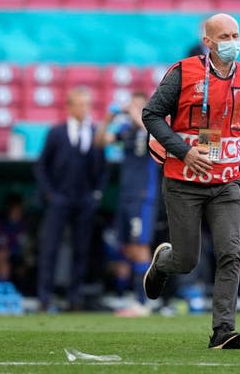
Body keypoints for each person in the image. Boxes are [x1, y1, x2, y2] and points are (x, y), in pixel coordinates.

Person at [142, 13, 240, 349]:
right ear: (207, 42)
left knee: (230, 253)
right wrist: (183, 152)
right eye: (224, 36)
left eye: (235, 34)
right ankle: (162, 265)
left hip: (226, 181)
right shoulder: (183, 72)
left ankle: (222, 331)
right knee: (187, 260)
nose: (232, 42)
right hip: (184, 178)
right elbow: (150, 114)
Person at [34, 86, 107, 311]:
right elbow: (41, 165)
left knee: (81, 249)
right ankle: (44, 298)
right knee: (50, 248)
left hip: (84, 200)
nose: (85, 109)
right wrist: (50, 194)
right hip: (60, 200)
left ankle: (74, 298)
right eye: (80, 104)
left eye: (87, 105)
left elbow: (103, 168)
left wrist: (96, 194)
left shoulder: (96, 133)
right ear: (70, 106)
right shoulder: (56, 132)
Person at [94, 92, 160, 316]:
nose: (133, 110)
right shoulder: (128, 131)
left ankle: (144, 302)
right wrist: (108, 120)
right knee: (129, 248)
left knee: (141, 247)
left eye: (138, 106)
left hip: (143, 197)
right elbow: (101, 142)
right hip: (126, 196)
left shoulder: (152, 127)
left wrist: (136, 113)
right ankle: (134, 298)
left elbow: (154, 137)